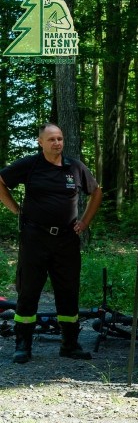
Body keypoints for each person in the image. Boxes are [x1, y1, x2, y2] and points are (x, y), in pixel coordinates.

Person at [0, 123, 102, 364]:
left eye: (60, 138)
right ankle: (22, 344)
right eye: (52, 139)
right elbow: (1, 182)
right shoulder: (30, 165)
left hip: (66, 240)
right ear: (41, 142)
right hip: (35, 238)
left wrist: (85, 222)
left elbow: (96, 191)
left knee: (68, 291)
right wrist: (16, 209)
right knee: (29, 290)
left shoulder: (74, 167)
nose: (57, 143)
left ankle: (70, 344)